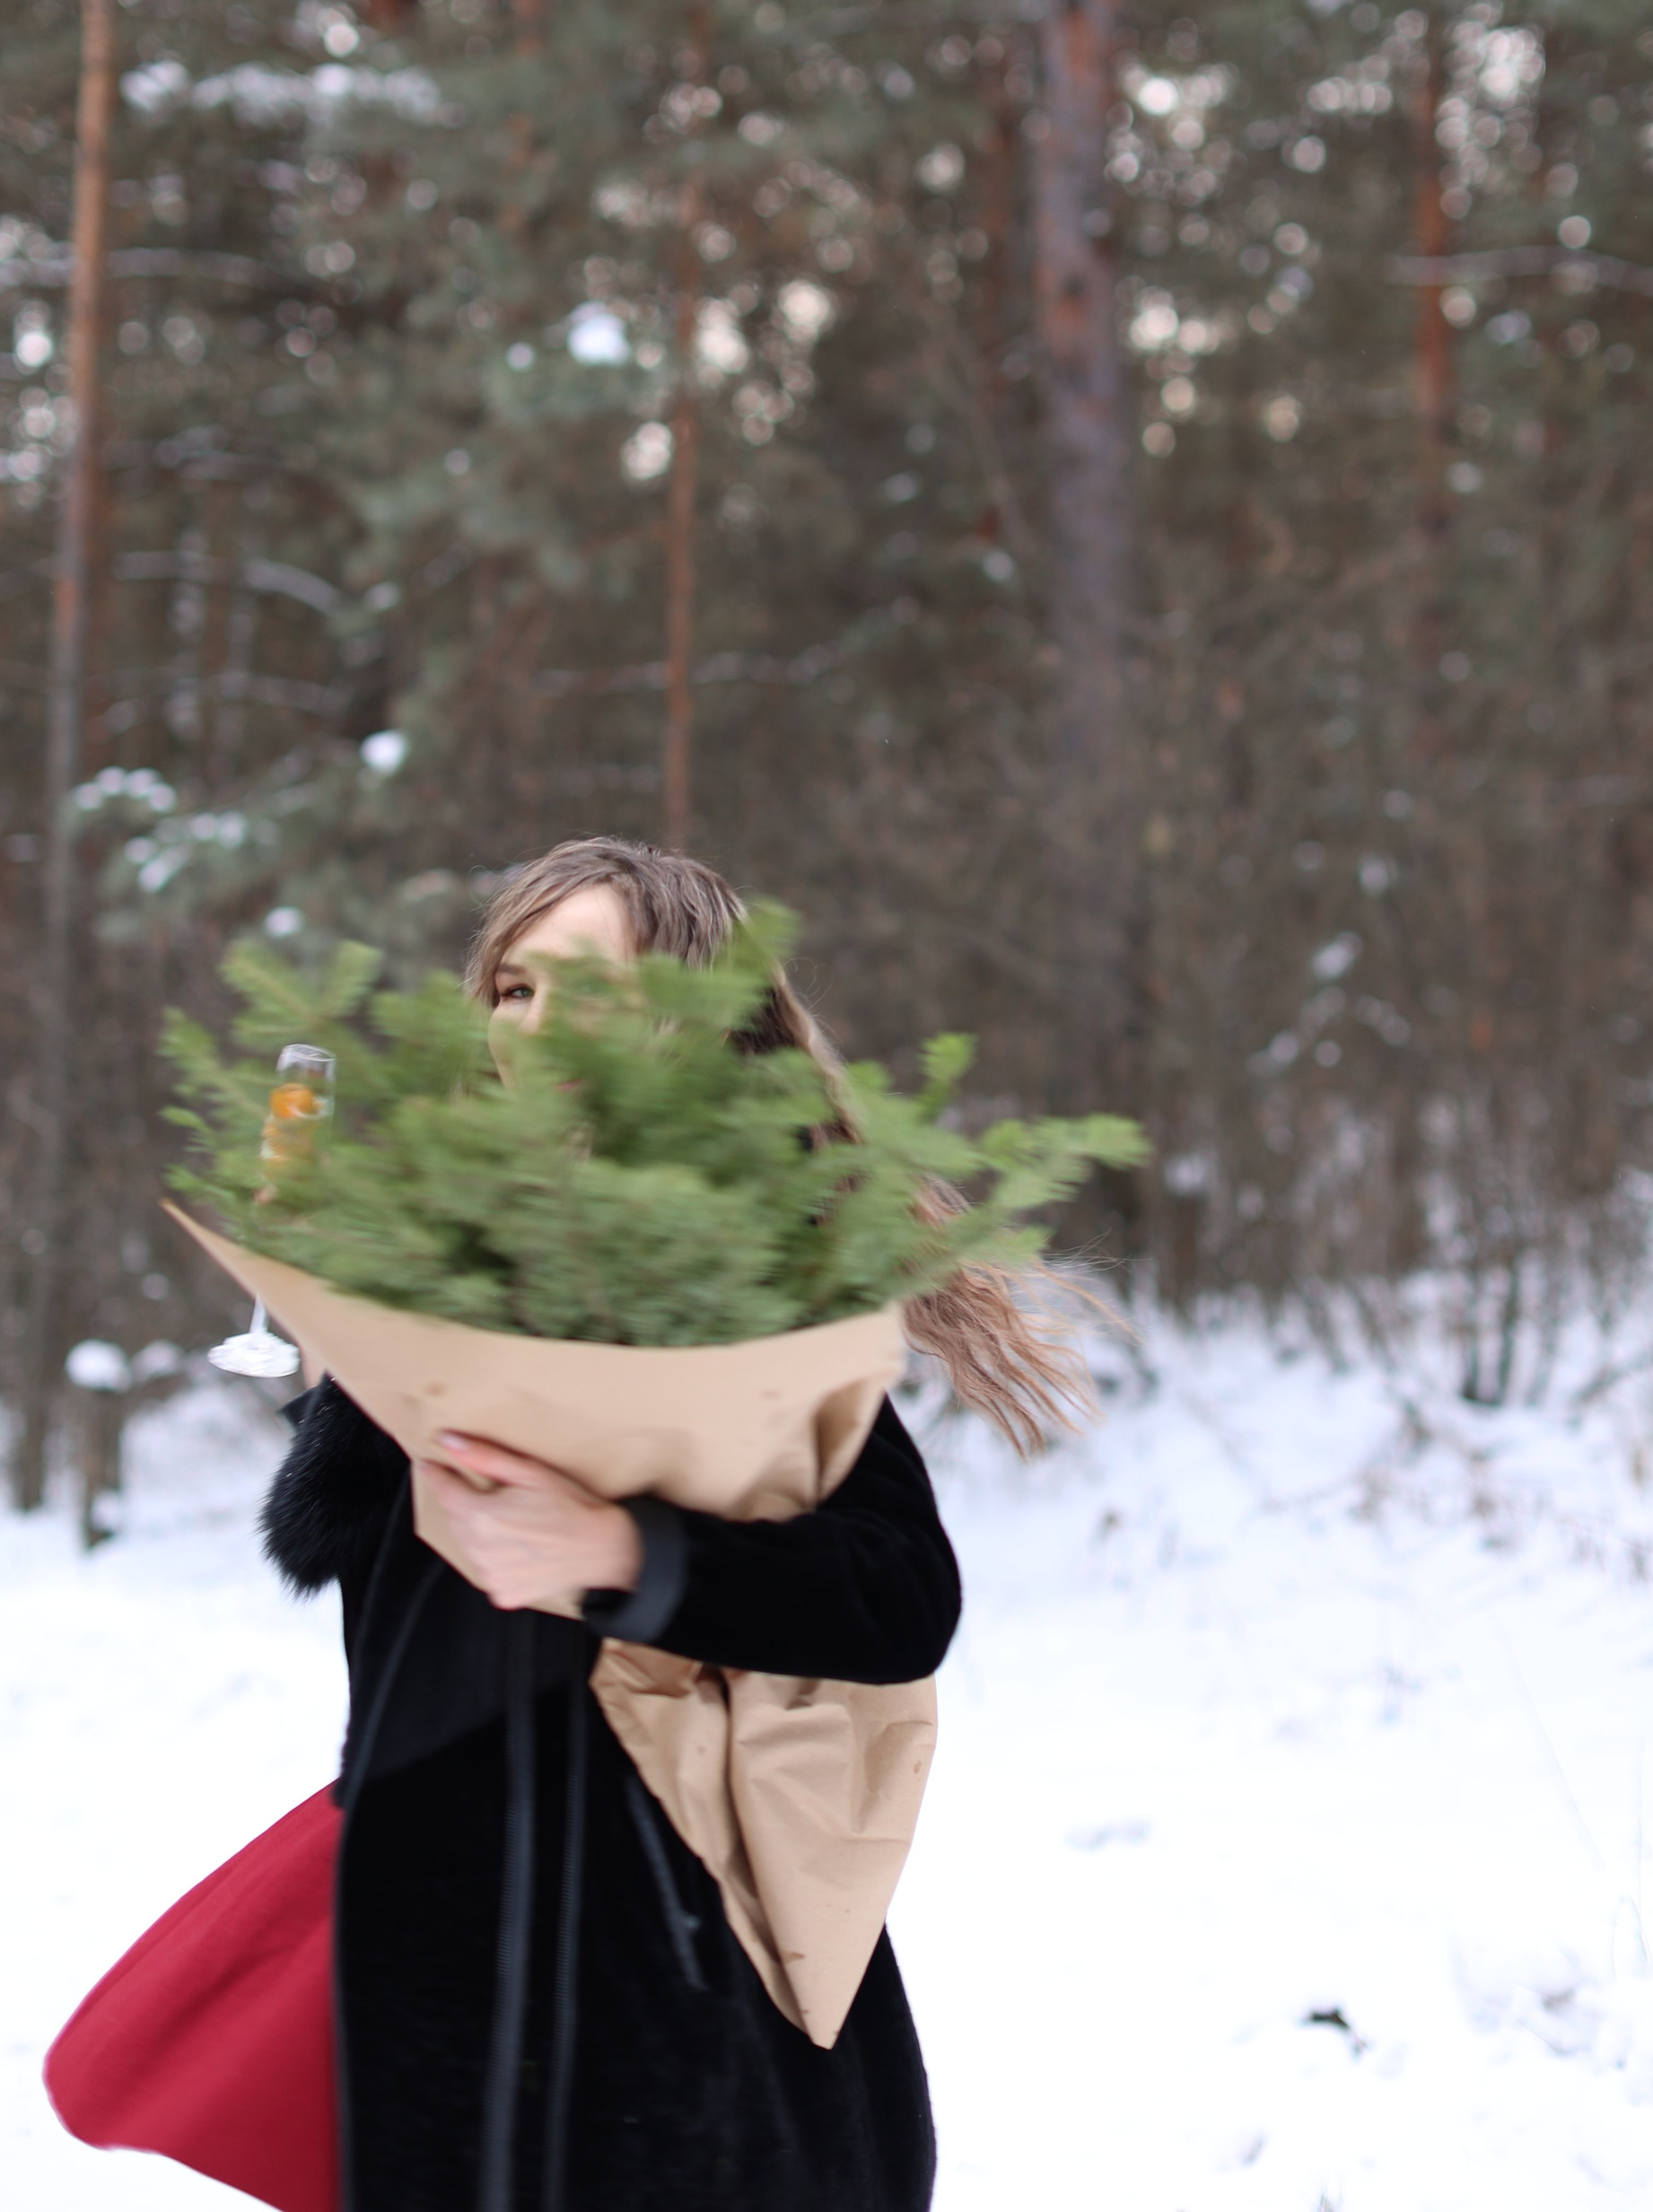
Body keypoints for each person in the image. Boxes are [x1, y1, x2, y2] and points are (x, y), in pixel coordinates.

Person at [261, 836, 1092, 2212]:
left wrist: (625, 1556)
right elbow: (361, 1573)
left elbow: (899, 1594)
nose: (537, 1026)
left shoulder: (751, 1270)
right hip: (446, 1948)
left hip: (678, 1963)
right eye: (514, 988)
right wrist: (335, 1360)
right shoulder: (451, 1256)